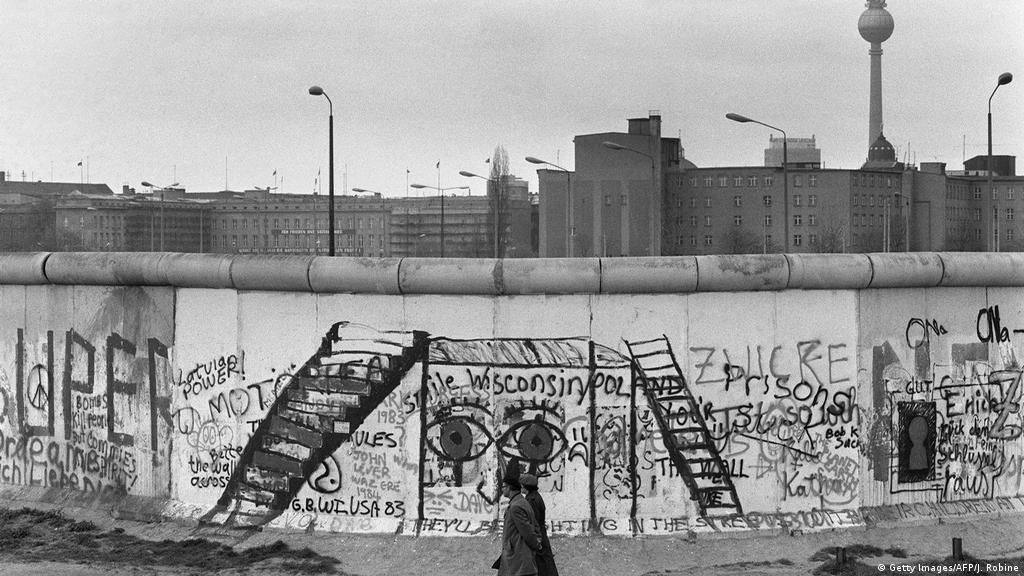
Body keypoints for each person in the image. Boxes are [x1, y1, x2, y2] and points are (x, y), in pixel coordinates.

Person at [493, 473, 542, 576]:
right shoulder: (522, 502)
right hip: (518, 559)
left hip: (518, 560)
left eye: (503, 486)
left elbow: (528, 532)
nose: (502, 489)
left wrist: (537, 545)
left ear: (510, 487)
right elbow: (536, 526)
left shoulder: (516, 507)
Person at [520, 474, 559, 576]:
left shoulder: (531, 500)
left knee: (543, 565)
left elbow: (533, 521)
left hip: (538, 536)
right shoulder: (535, 497)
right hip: (541, 535)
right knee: (545, 564)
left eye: (522, 485)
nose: (521, 487)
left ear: (526, 487)